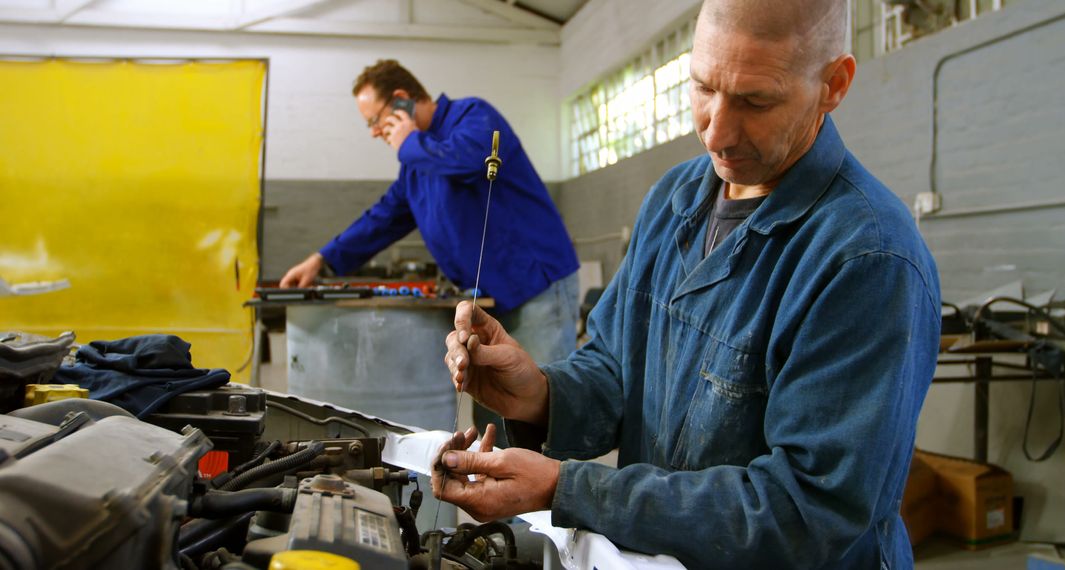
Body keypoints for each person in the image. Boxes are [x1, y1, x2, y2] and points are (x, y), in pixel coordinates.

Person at [434, 0, 941, 567]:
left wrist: (568, 488)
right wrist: (541, 395)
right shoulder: (675, 200)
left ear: (834, 84)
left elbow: (807, 510)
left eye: (755, 100)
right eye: (702, 87)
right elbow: (614, 366)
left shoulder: (866, 259)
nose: (716, 132)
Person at [279, 60, 580, 442]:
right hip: (490, 303)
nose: (374, 132)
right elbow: (384, 217)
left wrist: (410, 143)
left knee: (542, 415)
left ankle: (553, 496)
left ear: (402, 100)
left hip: (537, 291)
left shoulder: (472, 116)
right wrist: (322, 259)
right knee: (499, 417)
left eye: (376, 120)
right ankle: (507, 493)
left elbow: (470, 160)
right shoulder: (415, 164)